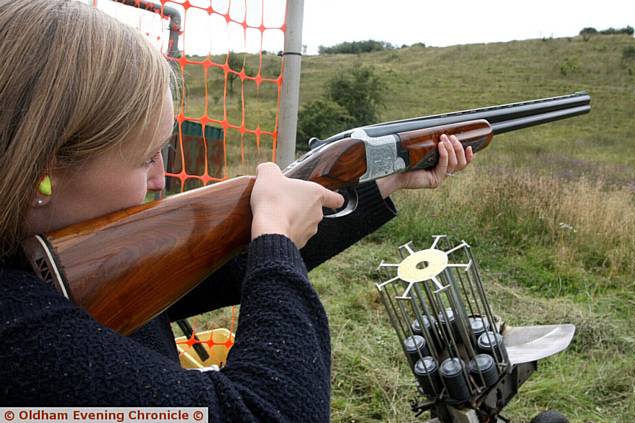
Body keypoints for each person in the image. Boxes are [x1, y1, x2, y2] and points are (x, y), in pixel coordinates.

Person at [0, 0, 473, 420]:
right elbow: (275, 409)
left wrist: (384, 181)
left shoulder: (58, 261)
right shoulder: (20, 339)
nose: (160, 180)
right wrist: (276, 241)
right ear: (44, 172)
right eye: (146, 157)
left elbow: (221, 265)